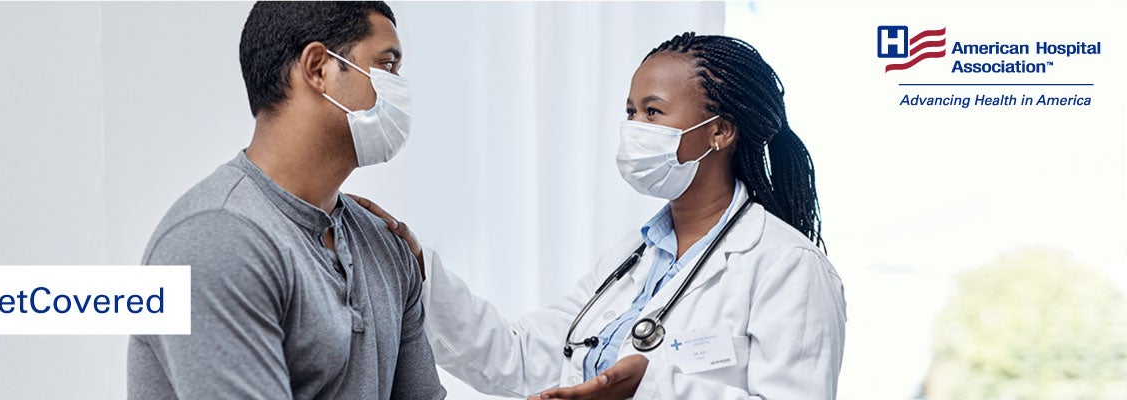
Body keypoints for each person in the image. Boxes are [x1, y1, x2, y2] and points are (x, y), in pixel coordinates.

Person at [356, 33, 845, 399]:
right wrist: (418, 268)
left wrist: (650, 390)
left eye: (653, 113)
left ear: (719, 132)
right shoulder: (633, 258)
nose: (633, 127)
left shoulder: (788, 266)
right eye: (630, 111)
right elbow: (521, 357)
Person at [127, 2, 445, 399]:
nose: (400, 88)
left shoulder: (386, 246)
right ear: (318, 68)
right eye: (387, 66)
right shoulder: (217, 239)